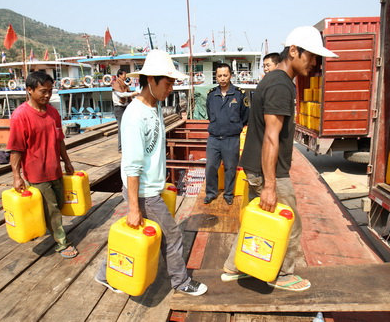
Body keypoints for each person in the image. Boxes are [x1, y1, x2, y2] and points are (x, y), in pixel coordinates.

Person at [221, 26, 338, 290]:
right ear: (294, 51)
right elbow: (271, 138)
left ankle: (234, 266)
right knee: (290, 223)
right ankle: (283, 274)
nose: (315, 63)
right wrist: (270, 185)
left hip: (257, 167)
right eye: (311, 56)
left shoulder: (275, 80)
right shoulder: (280, 86)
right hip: (268, 171)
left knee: (257, 221)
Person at [95, 49, 208, 296]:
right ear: (151, 80)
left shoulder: (154, 106)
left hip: (150, 187)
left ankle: (106, 273)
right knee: (173, 235)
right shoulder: (135, 116)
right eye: (168, 83)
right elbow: (132, 166)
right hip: (143, 191)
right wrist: (134, 207)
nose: (171, 88)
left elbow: (153, 152)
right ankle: (180, 281)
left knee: (142, 233)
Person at [7, 71, 79, 259]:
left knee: (58, 204)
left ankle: (45, 227)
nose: (47, 95)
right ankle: (62, 243)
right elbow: (16, 149)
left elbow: (60, 140)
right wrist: (17, 176)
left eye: (50, 91)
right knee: (53, 209)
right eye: (43, 91)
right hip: (36, 172)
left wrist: (68, 162)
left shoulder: (53, 112)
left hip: (55, 168)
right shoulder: (20, 116)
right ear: (30, 90)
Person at [204, 63, 249, 205]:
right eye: (219, 76)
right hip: (214, 139)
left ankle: (228, 194)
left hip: (231, 139)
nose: (222, 78)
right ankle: (211, 193)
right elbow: (209, 115)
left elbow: (246, 116)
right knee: (211, 167)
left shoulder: (240, 94)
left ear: (231, 75)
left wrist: (234, 127)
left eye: (225, 75)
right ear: (216, 77)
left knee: (230, 168)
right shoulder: (211, 95)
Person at [112, 69, 139, 152]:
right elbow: (121, 94)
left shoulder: (124, 85)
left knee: (128, 127)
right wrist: (133, 94)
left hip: (125, 107)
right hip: (119, 108)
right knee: (121, 128)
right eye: (124, 75)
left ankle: (127, 145)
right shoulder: (116, 84)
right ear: (119, 75)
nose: (125, 76)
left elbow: (127, 96)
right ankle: (121, 148)